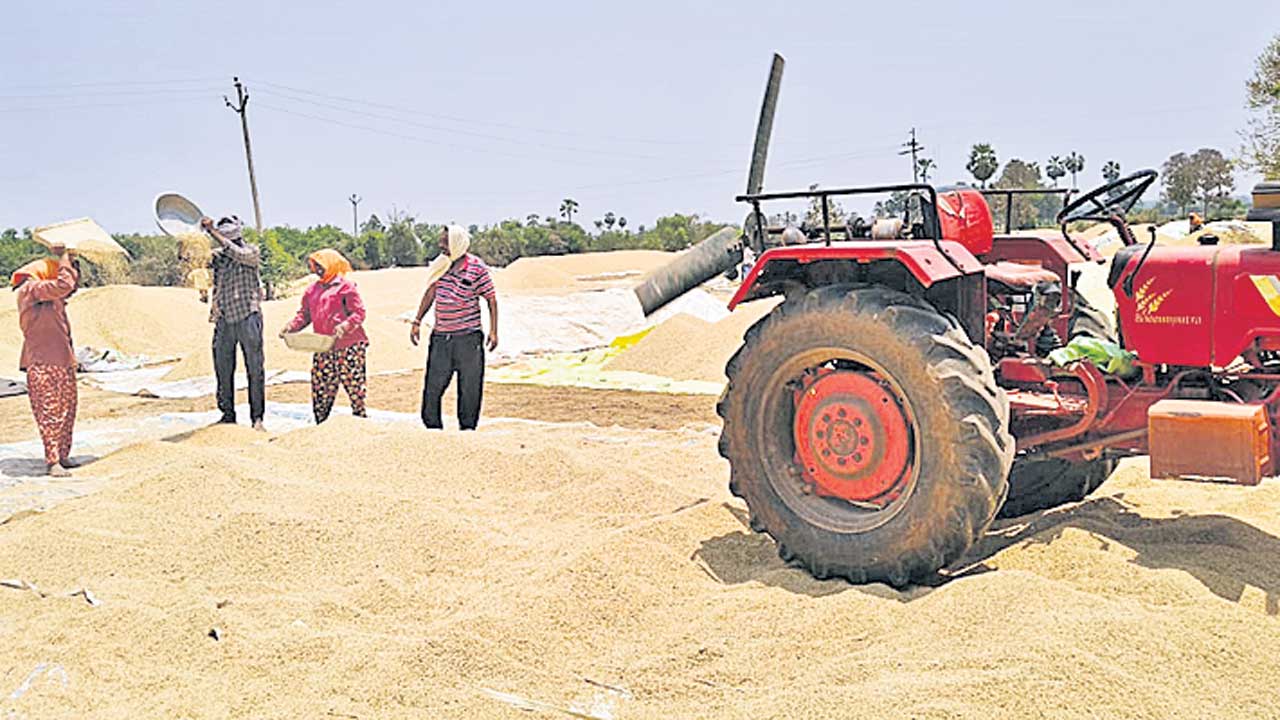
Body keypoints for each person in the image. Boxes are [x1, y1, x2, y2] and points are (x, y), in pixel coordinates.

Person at [410, 225, 498, 430]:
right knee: (432, 389)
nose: (441, 246)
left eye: (445, 242)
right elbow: (430, 292)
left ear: (457, 244)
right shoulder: (440, 265)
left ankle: (467, 433)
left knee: (469, 390)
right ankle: (434, 433)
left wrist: (494, 331)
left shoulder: (476, 267)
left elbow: (491, 299)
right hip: (441, 338)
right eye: (441, 242)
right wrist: (417, 321)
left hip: (468, 339)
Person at [12, 246, 80, 477]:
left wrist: (71, 262)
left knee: (67, 410)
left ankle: (62, 455)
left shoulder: (51, 299)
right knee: (50, 412)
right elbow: (64, 285)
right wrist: (62, 257)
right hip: (44, 364)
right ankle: (52, 462)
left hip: (62, 362)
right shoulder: (30, 289)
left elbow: (69, 287)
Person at [280, 249, 369, 424]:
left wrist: (346, 325)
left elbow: (359, 313)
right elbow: (304, 315)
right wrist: (291, 327)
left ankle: (361, 422)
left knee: (354, 387)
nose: (318, 269)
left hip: (349, 347)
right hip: (323, 346)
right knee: (321, 388)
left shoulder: (346, 287)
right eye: (315, 266)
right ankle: (321, 425)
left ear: (332, 265)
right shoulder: (312, 290)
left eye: (321, 265)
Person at [201, 215, 266, 431]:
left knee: (254, 369)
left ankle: (257, 418)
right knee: (223, 368)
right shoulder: (219, 257)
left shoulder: (251, 251)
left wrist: (212, 232)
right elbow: (199, 260)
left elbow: (236, 253)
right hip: (224, 317)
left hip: (248, 314)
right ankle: (227, 414)